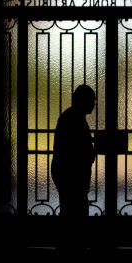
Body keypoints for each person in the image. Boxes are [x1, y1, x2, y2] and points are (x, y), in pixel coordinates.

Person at [51, 84, 96, 220]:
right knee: (75, 210)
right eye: (91, 100)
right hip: (71, 174)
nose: (93, 104)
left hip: (65, 172)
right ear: (83, 100)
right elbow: (76, 152)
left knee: (69, 208)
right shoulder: (74, 119)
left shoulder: (71, 116)